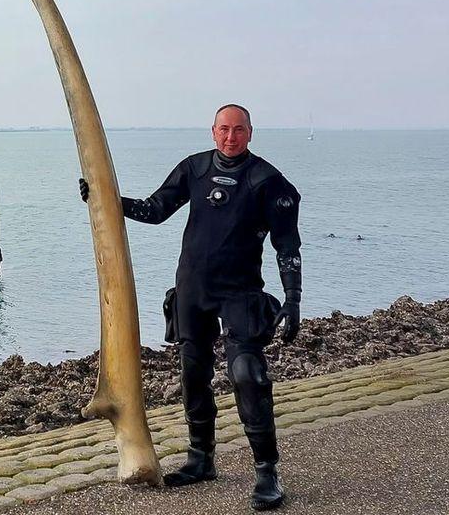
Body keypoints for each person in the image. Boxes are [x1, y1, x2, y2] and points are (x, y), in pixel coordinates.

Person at [78, 104, 302, 511]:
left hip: (240, 292)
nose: (230, 137)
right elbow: (156, 209)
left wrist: (293, 298)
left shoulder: (267, 181)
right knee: (192, 373)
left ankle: (267, 473)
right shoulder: (194, 169)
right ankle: (201, 459)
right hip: (193, 289)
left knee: (247, 373)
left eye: (238, 130)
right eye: (223, 130)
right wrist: (105, 198)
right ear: (213, 131)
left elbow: (287, 246)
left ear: (250, 133)